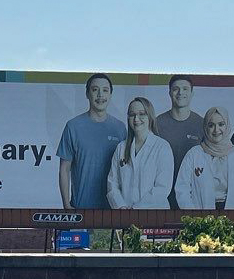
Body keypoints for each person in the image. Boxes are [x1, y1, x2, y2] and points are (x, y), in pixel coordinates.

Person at [57, 74, 128, 210]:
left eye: (105, 90)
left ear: (110, 94)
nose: (100, 95)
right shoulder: (73, 126)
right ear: (87, 94)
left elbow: (126, 171)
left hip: (114, 209)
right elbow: (64, 169)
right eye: (95, 90)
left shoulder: (120, 128)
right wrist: (66, 204)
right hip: (81, 208)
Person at [172, 107, 234, 210]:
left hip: (232, 217)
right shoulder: (194, 154)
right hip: (199, 218)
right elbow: (182, 189)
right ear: (205, 128)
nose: (216, 130)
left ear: (227, 126)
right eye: (211, 125)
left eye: (221, 124)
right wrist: (194, 215)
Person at [105, 97, 173, 210]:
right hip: (124, 215)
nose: (136, 119)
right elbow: (112, 183)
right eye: (132, 114)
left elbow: (162, 188)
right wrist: (121, 207)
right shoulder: (121, 148)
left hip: (154, 216)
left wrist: (136, 210)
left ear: (150, 116)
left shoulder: (162, 147)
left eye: (142, 114)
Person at [151, 75, 203, 207]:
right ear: (169, 92)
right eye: (176, 89)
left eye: (185, 89)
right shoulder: (157, 123)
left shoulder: (202, 124)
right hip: (161, 195)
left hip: (192, 197)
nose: (180, 93)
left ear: (192, 93)